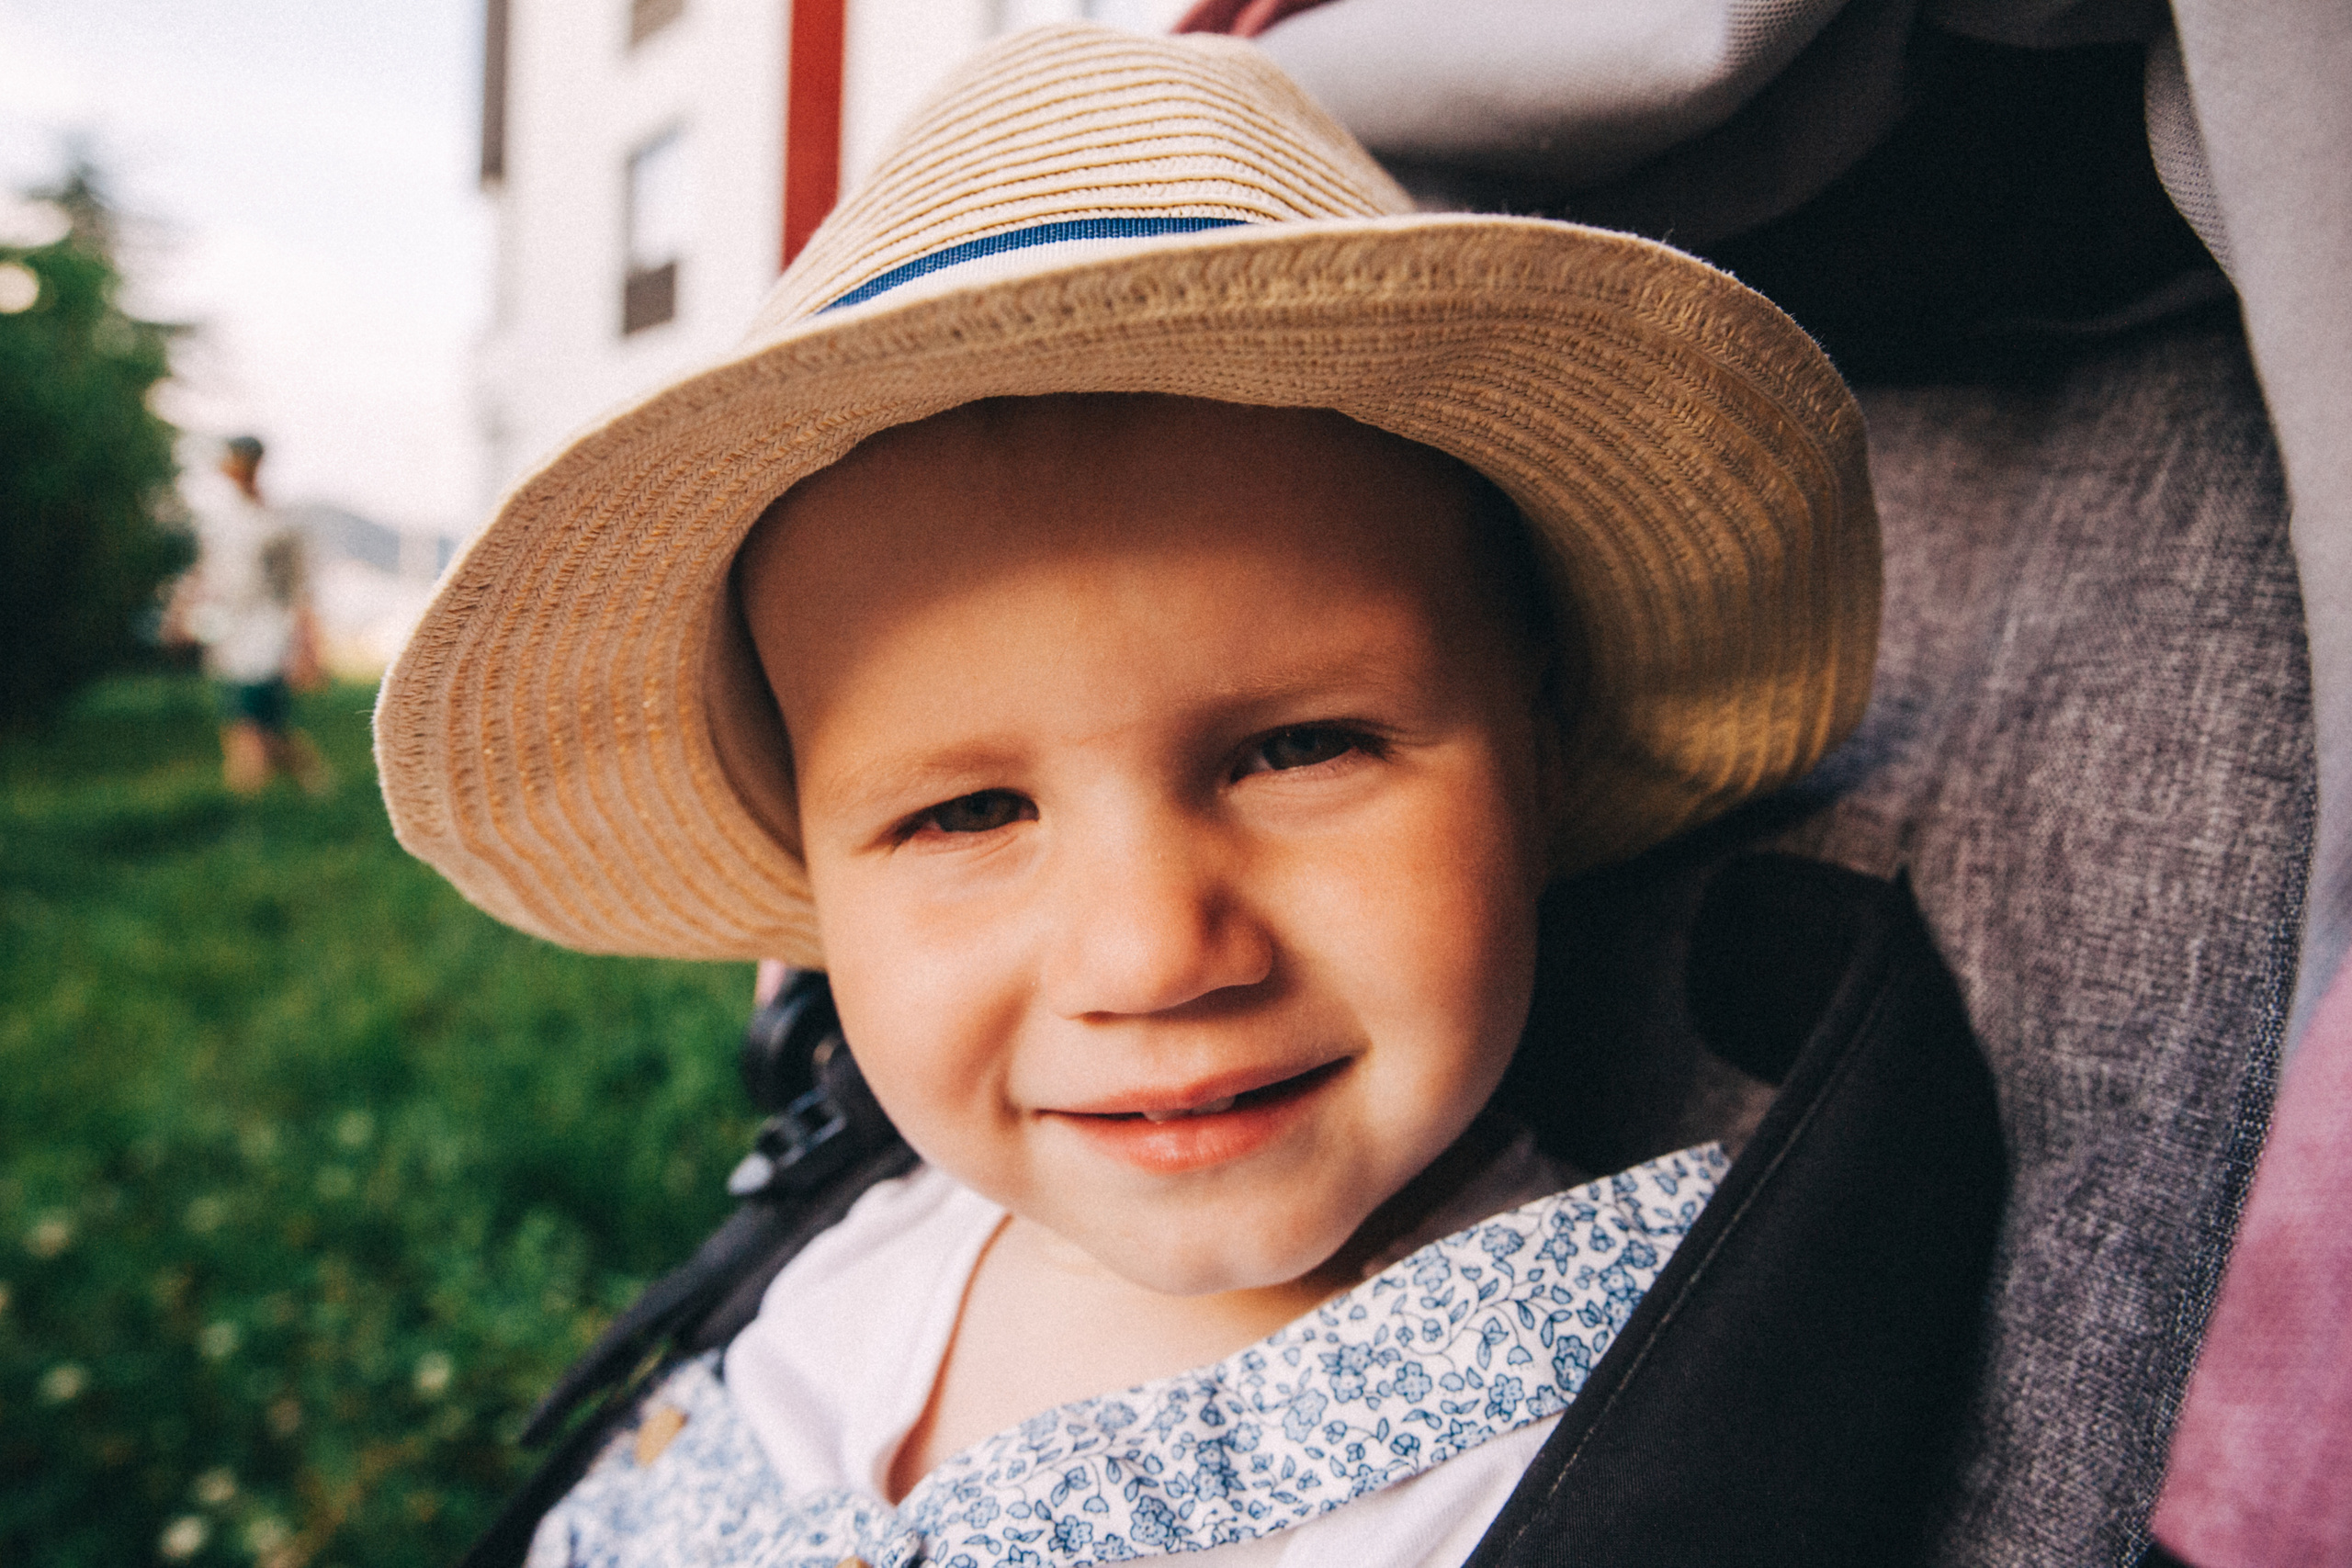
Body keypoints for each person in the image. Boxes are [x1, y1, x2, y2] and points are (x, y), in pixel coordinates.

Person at [376, 27, 1998, 1568]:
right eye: (965, 814)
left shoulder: (1613, 1442)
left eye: (1299, 749)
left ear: (1540, 747)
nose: (1152, 953)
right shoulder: (876, 1244)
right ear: (815, 894)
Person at [179, 435, 329, 795]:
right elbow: (205, 574)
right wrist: (183, 612)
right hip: (231, 636)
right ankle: (314, 786)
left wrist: (306, 646)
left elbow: (298, 590)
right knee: (256, 726)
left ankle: (249, 806)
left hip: (267, 637)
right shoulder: (219, 522)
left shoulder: (277, 525)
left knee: (249, 727)